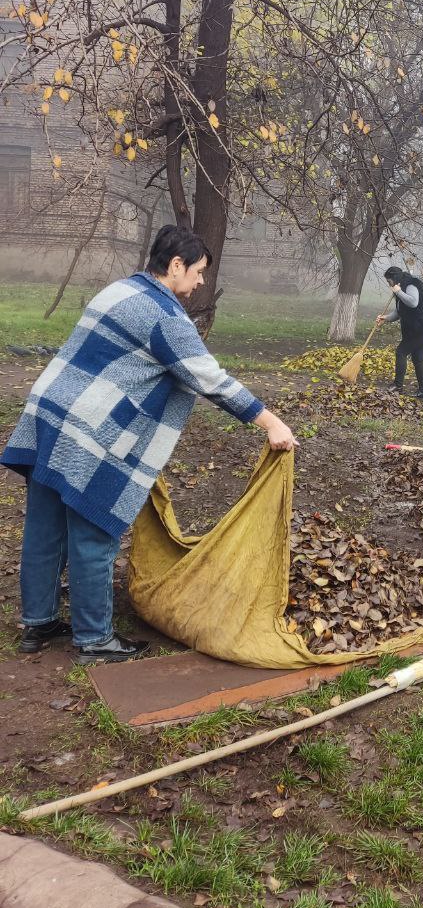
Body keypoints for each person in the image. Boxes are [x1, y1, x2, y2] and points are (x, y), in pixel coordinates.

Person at [1, 226, 298, 662]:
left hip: (47, 416)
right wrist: (270, 422)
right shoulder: (165, 317)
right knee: (94, 531)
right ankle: (94, 640)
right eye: (198, 272)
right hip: (87, 431)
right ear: (176, 265)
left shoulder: (119, 290)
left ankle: (38, 623)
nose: (200, 282)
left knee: (46, 527)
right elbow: (210, 379)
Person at [377, 265, 423, 398]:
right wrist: (385, 318)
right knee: (418, 358)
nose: (389, 284)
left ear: (395, 279)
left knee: (401, 352)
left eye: (389, 281)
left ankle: (398, 386)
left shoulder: (411, 285)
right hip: (419, 328)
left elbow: (413, 302)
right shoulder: (400, 288)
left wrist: (398, 291)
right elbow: (400, 311)